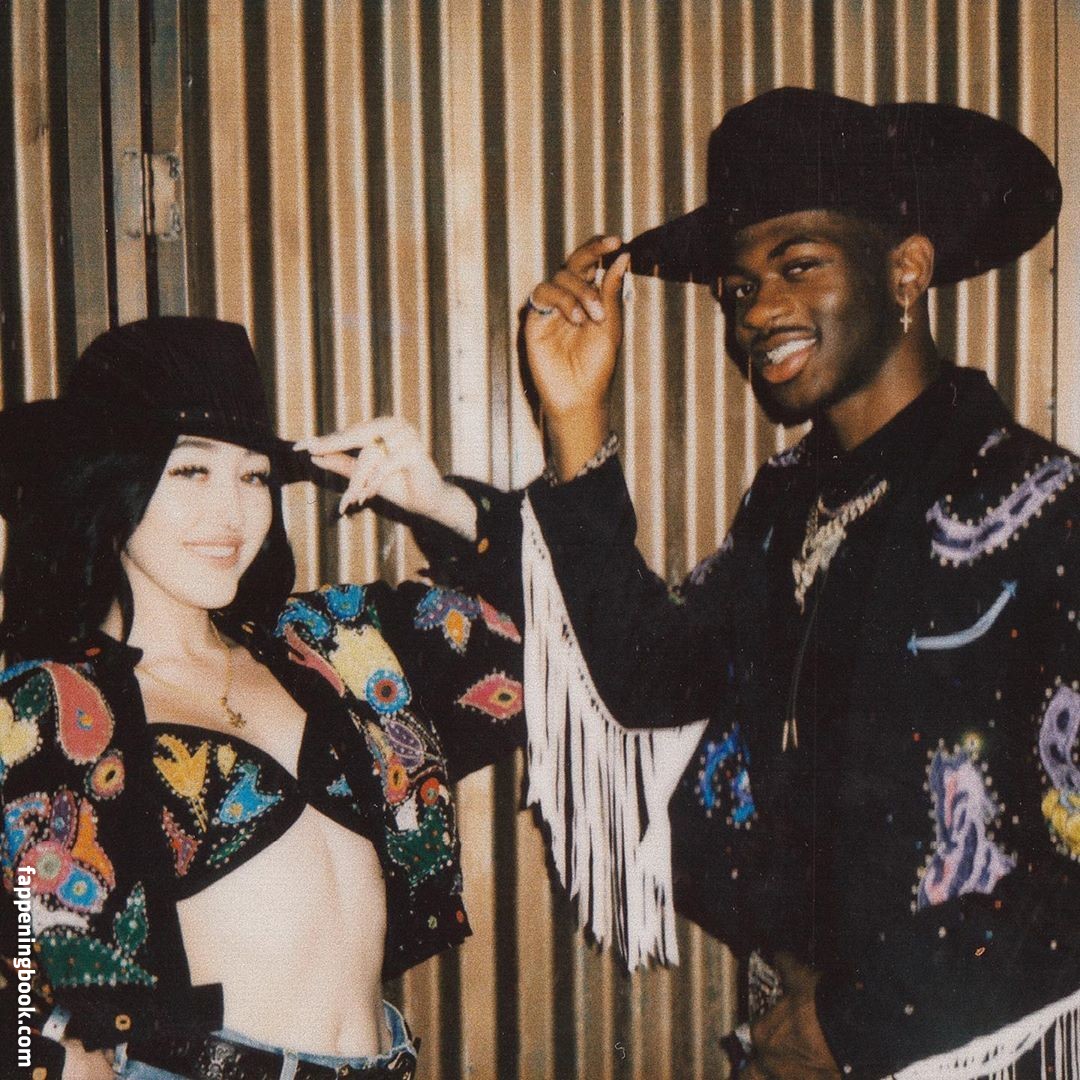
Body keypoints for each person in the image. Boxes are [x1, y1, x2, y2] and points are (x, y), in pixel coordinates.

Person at [339, 88, 1080, 1078]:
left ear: (906, 270)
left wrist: (857, 1023)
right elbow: (652, 677)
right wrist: (575, 419)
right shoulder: (788, 505)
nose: (758, 313)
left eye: (798, 265)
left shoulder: (1042, 509)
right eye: (736, 288)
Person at [0, 317, 524, 1079]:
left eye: (253, 477)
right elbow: (20, 980)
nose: (233, 513)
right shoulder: (45, 712)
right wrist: (45, 1048)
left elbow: (550, 651)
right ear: (111, 483)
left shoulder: (334, 644)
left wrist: (442, 505)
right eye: (191, 470)